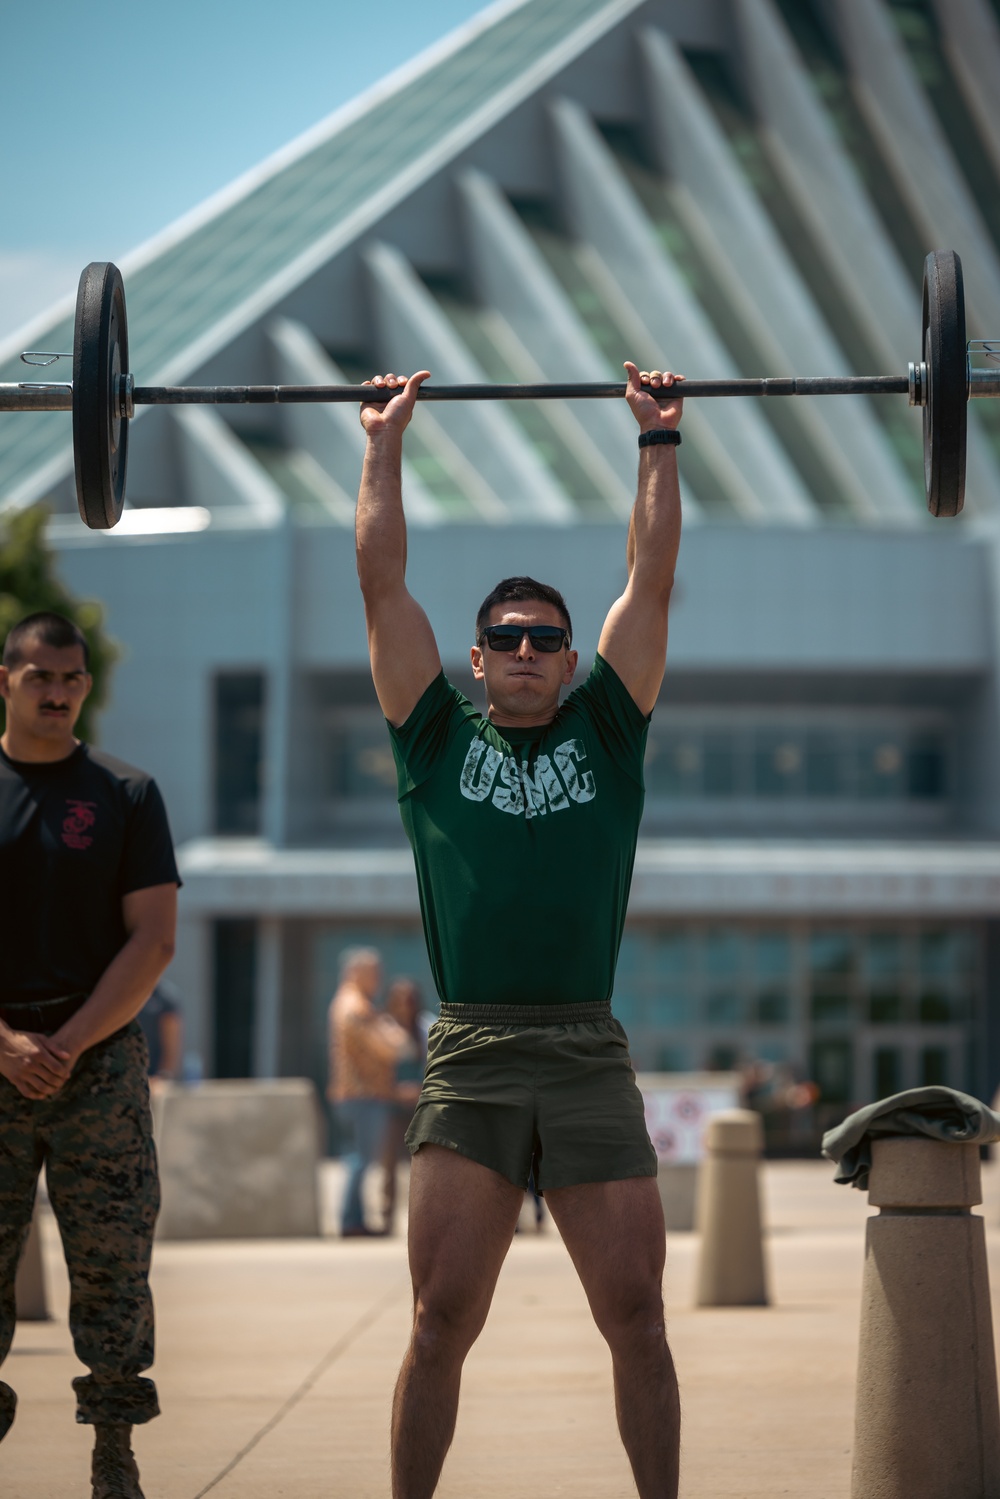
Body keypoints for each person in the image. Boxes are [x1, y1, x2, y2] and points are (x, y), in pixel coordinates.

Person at [355, 362, 684, 1499]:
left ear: (569, 656)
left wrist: (657, 441)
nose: (532, 650)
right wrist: (382, 442)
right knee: (440, 1319)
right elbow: (381, 580)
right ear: (479, 653)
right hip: (474, 1050)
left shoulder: (612, 725)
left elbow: (650, 578)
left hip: (587, 1051)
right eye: (510, 636)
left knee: (637, 1317)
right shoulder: (432, 736)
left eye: (549, 637)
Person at [0, 611, 179, 1499]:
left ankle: (115, 1452)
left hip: (95, 1061)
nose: (60, 692)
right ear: (6, 680)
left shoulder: (125, 792)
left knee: (112, 1264)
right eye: (41, 677)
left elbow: (153, 941)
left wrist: (65, 1044)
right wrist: (4, 1044)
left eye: (72, 677)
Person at [327, 947, 410, 1238]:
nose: (378, 978)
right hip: (362, 1096)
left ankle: (355, 1219)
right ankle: (351, 1221)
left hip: (355, 1095)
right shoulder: (357, 1006)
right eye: (373, 972)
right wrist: (394, 1033)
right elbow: (391, 1047)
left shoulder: (347, 1002)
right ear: (356, 972)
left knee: (358, 1158)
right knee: (360, 1160)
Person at [379, 978, 427, 1235]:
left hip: (420, 1104)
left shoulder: (425, 1027)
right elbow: (377, 1067)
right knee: (388, 1164)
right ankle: (386, 1217)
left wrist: (420, 1088)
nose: (405, 1005)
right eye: (400, 1000)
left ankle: (420, 1221)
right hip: (391, 1105)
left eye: (409, 1000)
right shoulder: (382, 1027)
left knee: (420, 1165)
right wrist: (393, 1090)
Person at [137, 981, 183, 1083]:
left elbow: (172, 1044)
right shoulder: (124, 991)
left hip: (154, 1076)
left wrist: (163, 1077)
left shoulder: (164, 996)